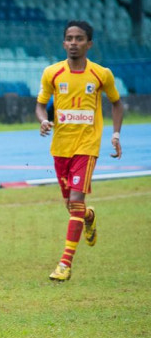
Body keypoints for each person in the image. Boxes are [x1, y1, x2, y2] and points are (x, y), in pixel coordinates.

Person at [35, 20, 123, 282]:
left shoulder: (101, 74)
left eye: (79, 38)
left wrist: (115, 135)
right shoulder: (52, 73)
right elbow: (40, 105)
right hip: (60, 147)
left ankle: (64, 264)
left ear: (89, 44)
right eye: (69, 38)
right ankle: (88, 215)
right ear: (63, 43)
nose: (74, 43)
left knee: (75, 201)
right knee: (72, 205)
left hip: (87, 146)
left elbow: (117, 104)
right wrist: (42, 119)